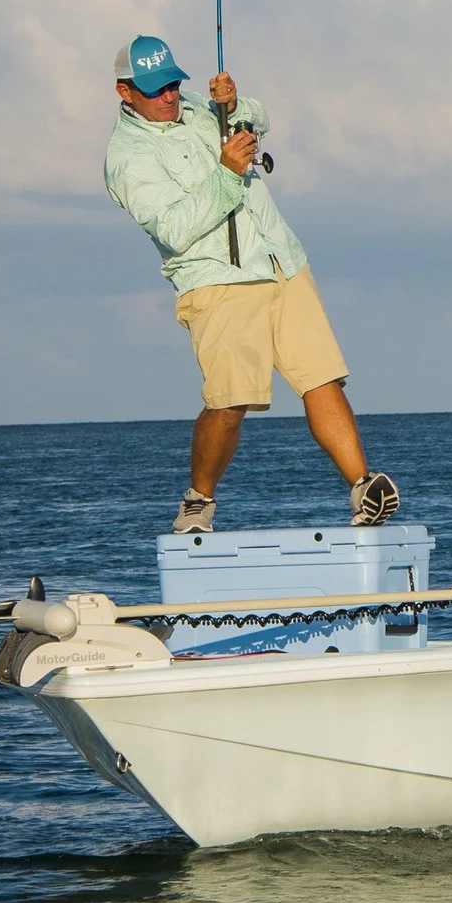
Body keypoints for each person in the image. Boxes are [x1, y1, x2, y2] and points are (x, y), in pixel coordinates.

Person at [104, 35, 399, 534]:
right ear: (124, 92)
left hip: (282, 260)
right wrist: (226, 173)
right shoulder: (126, 158)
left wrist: (236, 104)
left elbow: (258, 120)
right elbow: (174, 231)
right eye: (155, 90)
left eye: (174, 83)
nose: (170, 96)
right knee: (229, 402)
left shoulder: (198, 106)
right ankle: (198, 502)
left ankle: (362, 488)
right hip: (216, 283)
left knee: (322, 377)